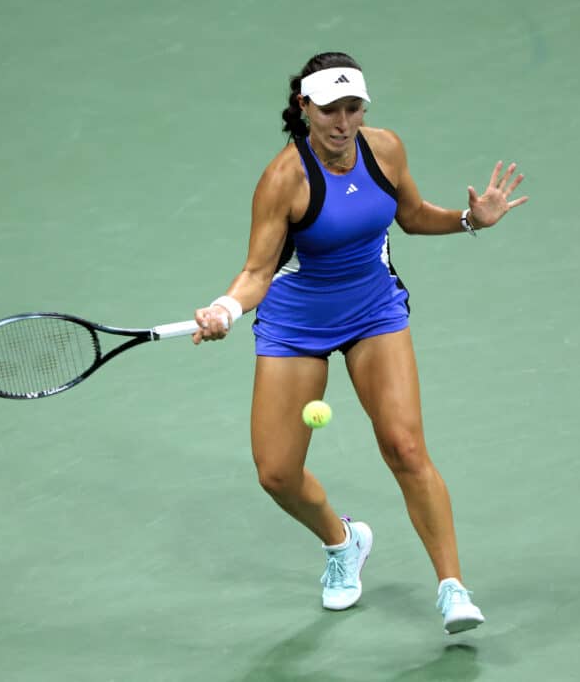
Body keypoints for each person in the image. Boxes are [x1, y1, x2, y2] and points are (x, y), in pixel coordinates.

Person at [191, 52, 527, 634]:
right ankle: (345, 541)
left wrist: (471, 220)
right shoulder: (283, 180)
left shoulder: (385, 149)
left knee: (405, 447)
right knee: (276, 474)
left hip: (373, 311)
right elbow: (256, 272)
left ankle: (453, 588)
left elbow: (414, 216)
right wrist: (225, 308)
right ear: (304, 109)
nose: (343, 122)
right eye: (330, 110)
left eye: (353, 108)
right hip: (296, 324)